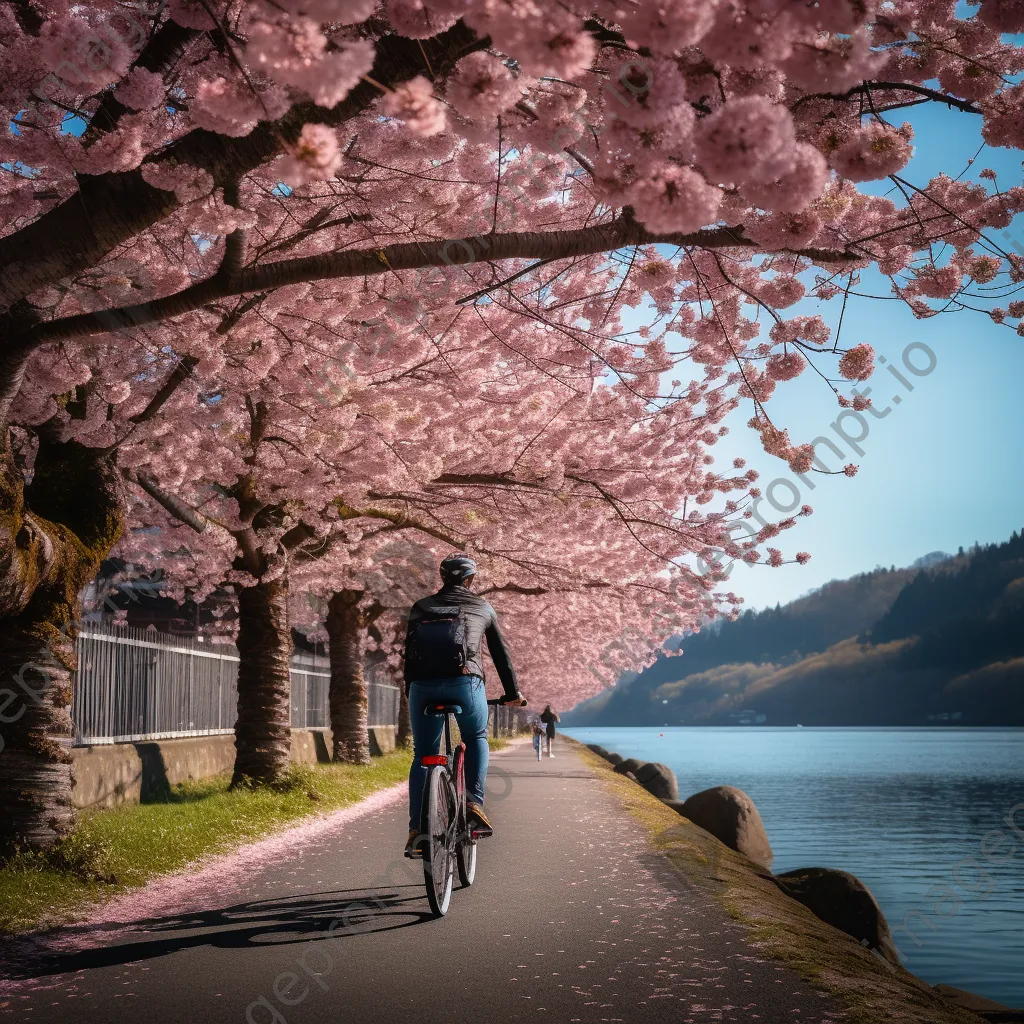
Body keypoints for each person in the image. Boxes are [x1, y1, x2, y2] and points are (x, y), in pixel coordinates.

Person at [403, 554, 525, 857]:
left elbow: (409, 655)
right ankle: (473, 803)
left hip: (422, 687)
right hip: (465, 683)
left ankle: (417, 831)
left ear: (443, 577)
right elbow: (501, 657)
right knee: (475, 737)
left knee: (424, 754)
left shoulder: (421, 607)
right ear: (471, 580)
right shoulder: (481, 606)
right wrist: (512, 694)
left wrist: (412, 691)